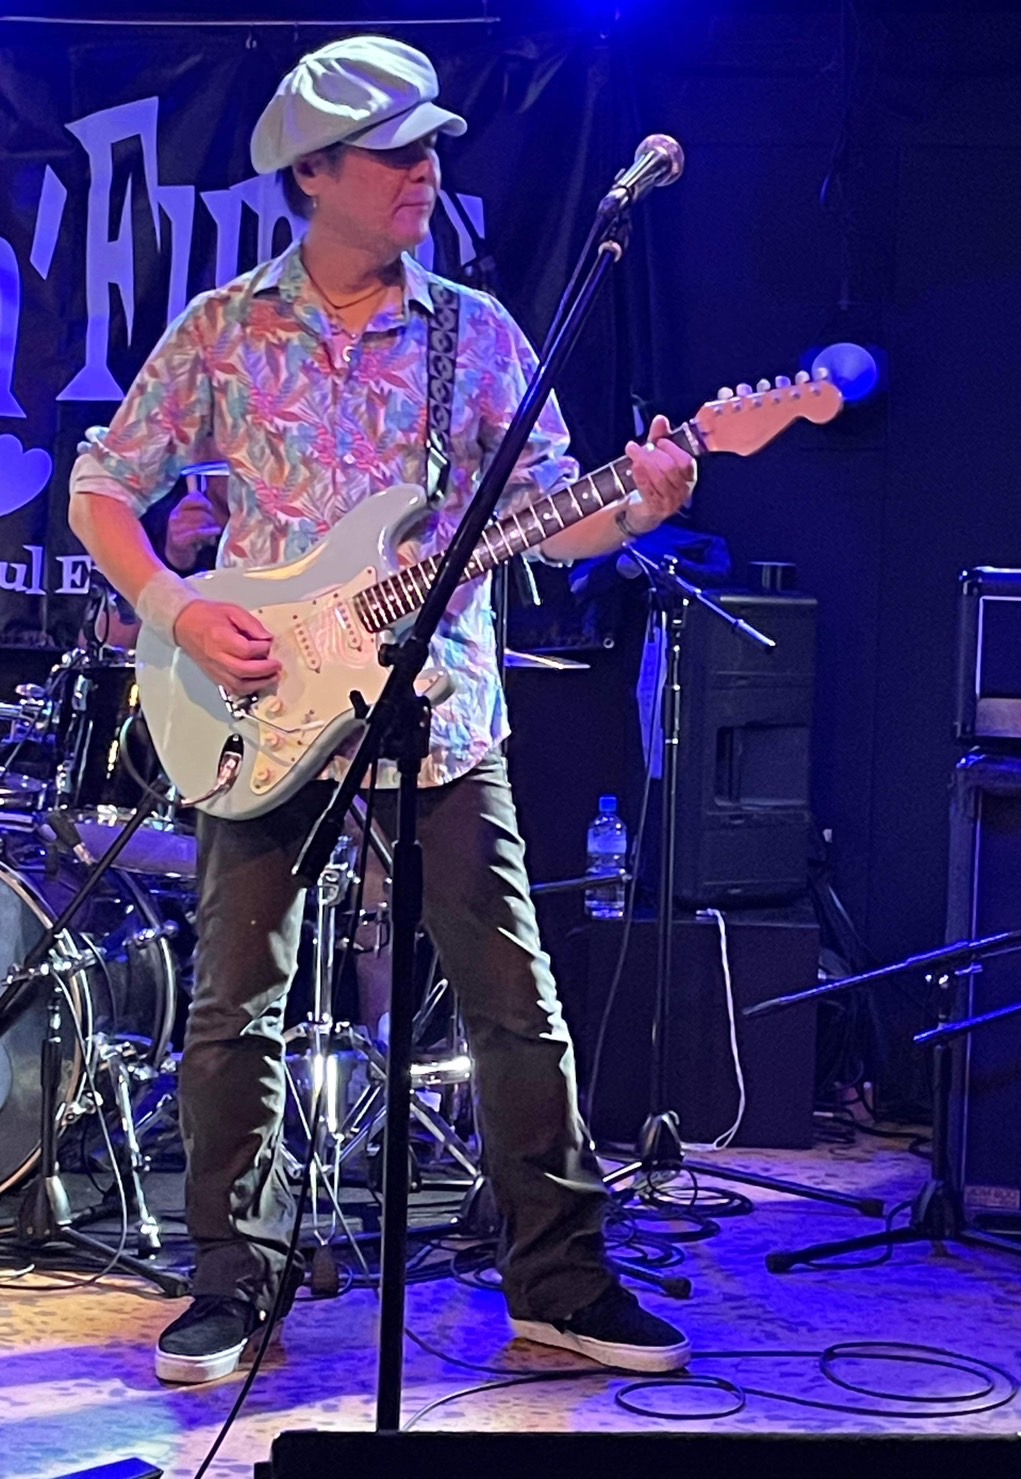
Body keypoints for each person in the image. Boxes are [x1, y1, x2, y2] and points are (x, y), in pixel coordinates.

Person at [68, 34, 696, 1386]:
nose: (424, 173)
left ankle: (561, 1282)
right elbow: (101, 487)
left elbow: (551, 518)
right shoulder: (225, 330)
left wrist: (636, 503)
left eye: (431, 152)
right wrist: (180, 611)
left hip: (441, 714)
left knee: (513, 1003)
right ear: (314, 173)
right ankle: (235, 1281)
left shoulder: (476, 333)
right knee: (235, 1008)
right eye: (395, 153)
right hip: (261, 710)